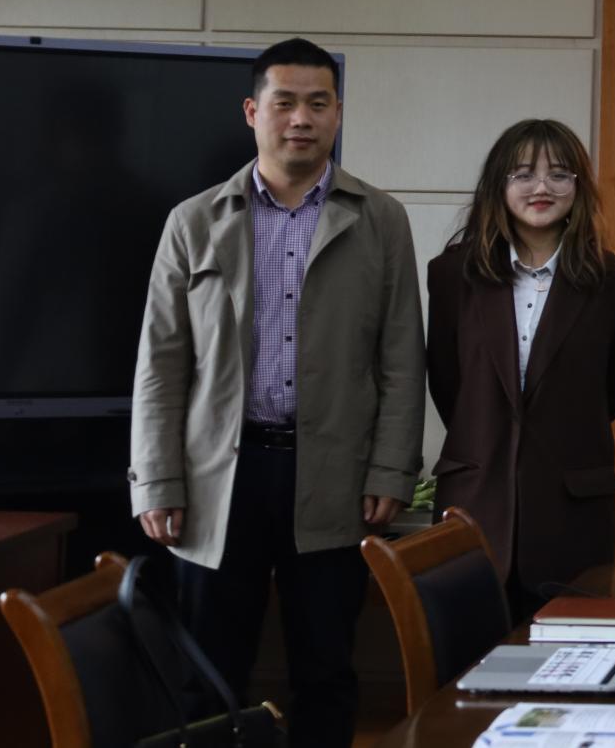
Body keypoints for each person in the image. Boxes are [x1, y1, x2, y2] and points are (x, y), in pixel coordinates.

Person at [130, 38, 424, 748]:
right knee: (208, 673)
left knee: (326, 668)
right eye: (285, 102)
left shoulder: (380, 219)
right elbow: (160, 364)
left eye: (318, 103)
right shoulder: (194, 220)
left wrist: (391, 469)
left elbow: (400, 359)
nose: (301, 118)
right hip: (217, 476)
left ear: (337, 114)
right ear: (252, 110)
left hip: (332, 473)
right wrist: (156, 479)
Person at [426, 119, 615, 621]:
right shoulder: (453, 274)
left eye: (559, 174)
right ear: (498, 185)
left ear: (579, 186)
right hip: (475, 505)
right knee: (467, 656)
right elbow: (447, 382)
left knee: (565, 654)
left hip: (572, 513)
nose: (542, 187)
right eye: (523, 174)